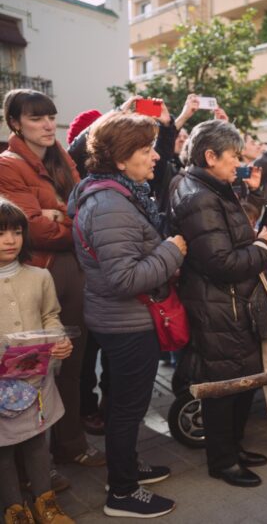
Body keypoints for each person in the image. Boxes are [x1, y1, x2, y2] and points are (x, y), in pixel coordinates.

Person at [69, 113, 186, 518]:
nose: (155, 157)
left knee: (123, 403)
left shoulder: (117, 194)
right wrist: (172, 251)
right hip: (127, 322)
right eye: (145, 150)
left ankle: (126, 467)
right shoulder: (109, 204)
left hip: (124, 320)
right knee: (126, 408)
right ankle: (121, 492)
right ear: (120, 159)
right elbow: (124, 278)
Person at [0, 89, 105, 478]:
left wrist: (59, 215)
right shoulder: (8, 164)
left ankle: (70, 446)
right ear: (15, 123)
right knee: (36, 370)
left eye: (50, 116)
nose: (47, 125)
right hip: (39, 273)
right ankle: (36, 464)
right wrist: (65, 220)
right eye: (35, 118)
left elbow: (85, 212)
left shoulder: (61, 158)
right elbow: (33, 230)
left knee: (74, 364)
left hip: (74, 271)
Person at [170, 120, 267, 488]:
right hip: (218, 306)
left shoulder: (212, 187)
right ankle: (222, 461)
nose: (238, 163)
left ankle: (234, 448)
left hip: (231, 305)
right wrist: (262, 249)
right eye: (233, 156)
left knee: (240, 381)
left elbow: (234, 233)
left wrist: (253, 198)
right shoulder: (197, 195)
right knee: (224, 386)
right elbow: (221, 262)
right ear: (210, 156)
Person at [0, 199, 74, 524]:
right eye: (1, 233)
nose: (10, 240)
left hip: (36, 380)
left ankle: (46, 503)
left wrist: (58, 340)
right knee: (2, 450)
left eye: (16, 231)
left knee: (36, 443)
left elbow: (50, 315)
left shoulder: (39, 276)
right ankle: (14, 508)